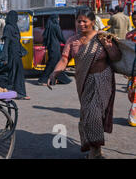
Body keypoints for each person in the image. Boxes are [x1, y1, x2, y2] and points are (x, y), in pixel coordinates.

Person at [49, 9, 122, 158]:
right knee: (87, 115)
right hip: (84, 82)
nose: (81, 24)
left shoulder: (102, 37)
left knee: (94, 114)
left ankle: (95, 152)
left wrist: (108, 46)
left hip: (102, 79)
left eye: (85, 21)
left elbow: (116, 57)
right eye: (79, 21)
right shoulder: (72, 41)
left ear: (93, 22)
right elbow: (64, 60)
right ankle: (95, 149)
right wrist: (54, 73)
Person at [0, 10, 29, 100]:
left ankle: (16, 92)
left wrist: (22, 50)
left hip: (16, 53)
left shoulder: (14, 26)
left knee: (16, 73)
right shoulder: (8, 27)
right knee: (15, 73)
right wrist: (4, 56)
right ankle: (19, 92)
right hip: (12, 53)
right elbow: (7, 42)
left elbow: (17, 41)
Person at [38, 15, 71, 85]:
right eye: (58, 18)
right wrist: (67, 43)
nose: (59, 19)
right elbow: (60, 37)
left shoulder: (49, 26)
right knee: (51, 64)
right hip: (55, 48)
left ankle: (59, 79)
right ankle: (42, 80)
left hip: (51, 47)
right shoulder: (56, 26)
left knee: (57, 64)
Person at [125, 10, 136, 127]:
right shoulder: (129, 35)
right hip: (133, 69)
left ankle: (133, 117)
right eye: (133, 19)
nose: (135, 21)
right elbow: (126, 54)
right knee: (132, 94)